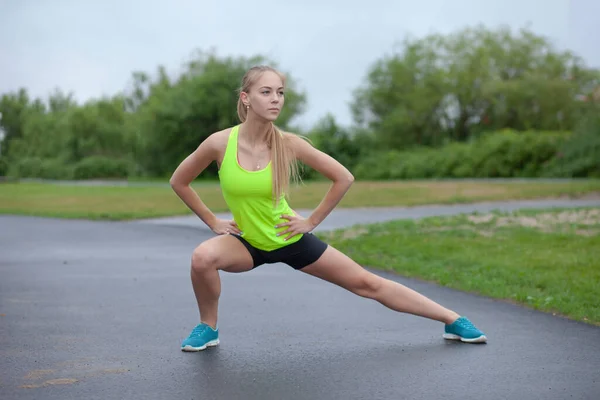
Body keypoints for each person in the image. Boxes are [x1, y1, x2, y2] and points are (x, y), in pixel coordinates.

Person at [169, 65, 487, 351]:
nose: (275, 99)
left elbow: (342, 177)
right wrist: (212, 220)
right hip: (247, 242)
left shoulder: (289, 143)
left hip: (288, 237)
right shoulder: (219, 143)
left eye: (280, 92)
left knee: (367, 284)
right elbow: (179, 181)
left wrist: (311, 222)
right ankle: (208, 327)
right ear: (246, 98)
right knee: (202, 258)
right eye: (266, 92)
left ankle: (452, 320)